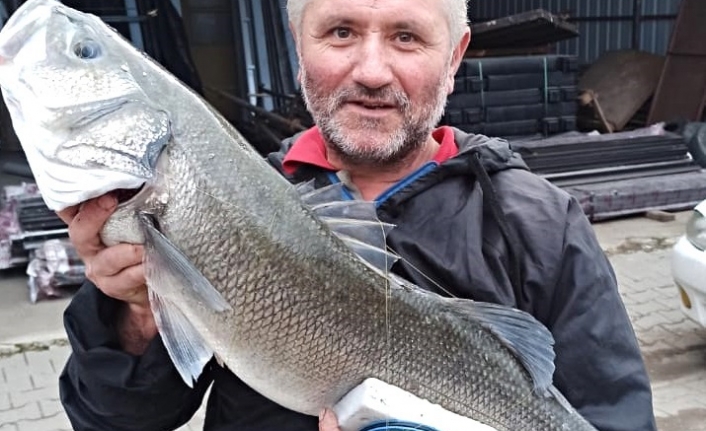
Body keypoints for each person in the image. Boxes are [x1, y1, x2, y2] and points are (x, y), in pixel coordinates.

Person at [56, 0, 658, 430]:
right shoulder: (223, 198)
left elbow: (616, 416)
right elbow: (113, 419)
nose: (372, 71)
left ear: (454, 55)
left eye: (406, 37)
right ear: (300, 46)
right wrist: (136, 311)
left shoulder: (542, 224)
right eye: (341, 31)